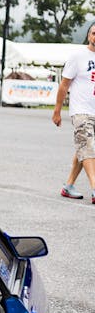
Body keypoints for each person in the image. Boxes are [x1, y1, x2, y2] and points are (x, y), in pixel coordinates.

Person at [52, 22, 95, 202]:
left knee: (82, 148)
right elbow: (64, 85)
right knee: (88, 147)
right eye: (94, 33)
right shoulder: (78, 56)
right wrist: (57, 111)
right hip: (81, 111)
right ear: (88, 36)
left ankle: (68, 186)